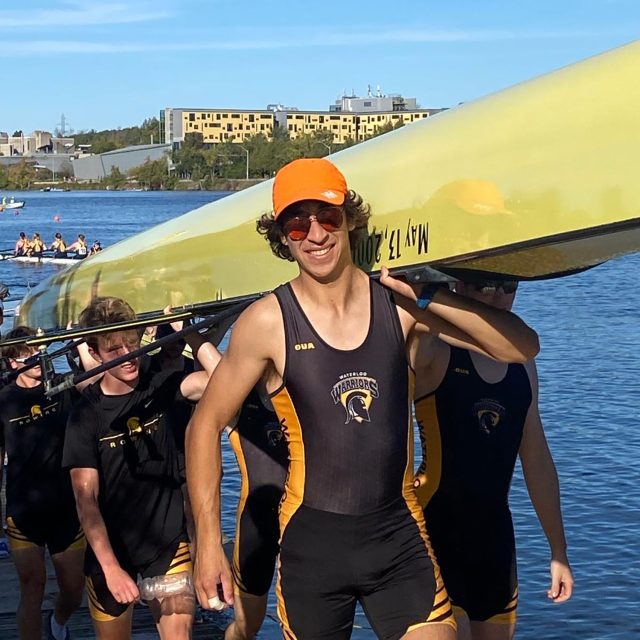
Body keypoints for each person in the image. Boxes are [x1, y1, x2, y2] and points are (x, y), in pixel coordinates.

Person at [186, 158, 539, 639]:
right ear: (283, 238)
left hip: (398, 540)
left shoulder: (400, 305)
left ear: (349, 219)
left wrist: (429, 295)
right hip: (313, 550)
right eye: (297, 224)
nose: (315, 235)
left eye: (327, 217)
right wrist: (209, 542)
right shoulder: (267, 322)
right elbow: (204, 426)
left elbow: (520, 347)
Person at [413, 280, 574, 640]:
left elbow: (536, 459)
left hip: (494, 541)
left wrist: (558, 550)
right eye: (483, 286)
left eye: (507, 286)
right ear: (458, 285)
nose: (497, 297)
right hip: (434, 532)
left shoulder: (523, 362)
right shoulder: (433, 349)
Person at [62, 297, 220, 640]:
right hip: (111, 549)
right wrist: (111, 569)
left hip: (167, 542)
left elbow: (222, 380)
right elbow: (86, 501)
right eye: (114, 349)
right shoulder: (85, 416)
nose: (128, 355)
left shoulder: (158, 384)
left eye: (132, 343)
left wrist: (187, 330)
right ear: (95, 354)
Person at [0, 326, 99, 640]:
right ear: (13, 362)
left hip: (65, 507)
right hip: (23, 510)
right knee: (32, 586)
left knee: (73, 588)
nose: (37, 359)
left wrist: (78, 341)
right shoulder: (4, 400)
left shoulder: (61, 387)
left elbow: (96, 384)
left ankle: (57, 624)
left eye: (38, 351)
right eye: (28, 354)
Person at [225, 385, 288, 640]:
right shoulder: (239, 397)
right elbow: (195, 382)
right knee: (247, 627)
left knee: (305, 624)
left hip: (302, 524)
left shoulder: (303, 390)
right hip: (256, 527)